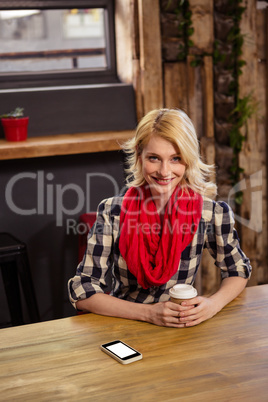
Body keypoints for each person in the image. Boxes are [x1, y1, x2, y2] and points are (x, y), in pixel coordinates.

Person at [68, 108, 252, 328]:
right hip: (126, 322)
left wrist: (212, 305)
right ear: (139, 155)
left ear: (188, 160)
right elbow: (83, 290)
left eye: (176, 159)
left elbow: (238, 269)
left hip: (183, 326)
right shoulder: (111, 212)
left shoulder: (210, 213)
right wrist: (148, 313)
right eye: (154, 158)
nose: (165, 172)